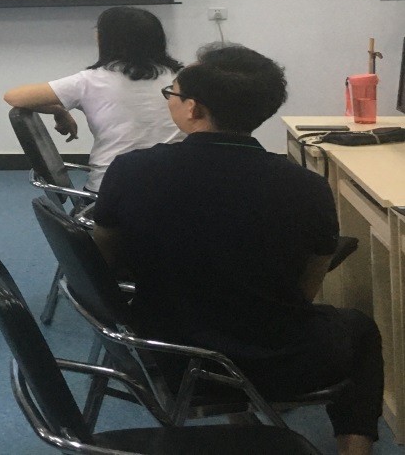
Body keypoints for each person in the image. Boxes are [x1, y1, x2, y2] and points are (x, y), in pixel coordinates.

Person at [90, 43, 383, 455]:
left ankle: (239, 413)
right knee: (359, 328)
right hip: (274, 363)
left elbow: (100, 261)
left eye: (172, 93)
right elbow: (304, 290)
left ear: (193, 108)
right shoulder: (306, 188)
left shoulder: (131, 171)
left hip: (163, 356)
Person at [2, 5, 183, 190]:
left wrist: (59, 110)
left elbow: (13, 97)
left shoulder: (89, 81)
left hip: (110, 192)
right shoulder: (183, 78)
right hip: (179, 189)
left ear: (106, 40)